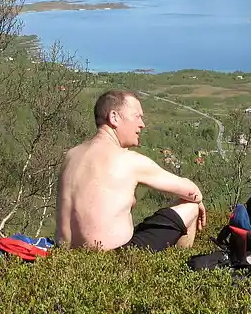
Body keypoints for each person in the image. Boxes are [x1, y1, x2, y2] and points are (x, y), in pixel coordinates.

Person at [55, 89, 207, 252]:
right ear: (114, 117)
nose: (142, 124)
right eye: (137, 116)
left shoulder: (71, 155)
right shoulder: (129, 160)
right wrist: (198, 201)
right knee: (190, 205)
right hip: (113, 260)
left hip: (63, 254)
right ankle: (180, 263)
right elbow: (191, 191)